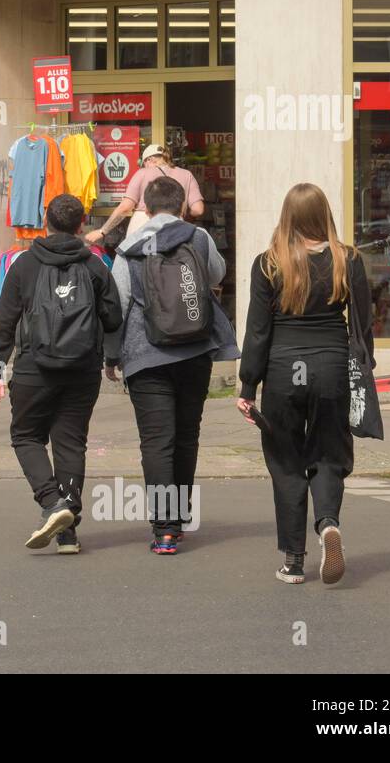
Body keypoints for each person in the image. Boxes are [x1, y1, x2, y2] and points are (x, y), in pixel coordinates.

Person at [237, 183, 372, 585]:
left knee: (286, 462)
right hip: (330, 368)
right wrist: (361, 372)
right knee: (329, 453)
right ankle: (328, 523)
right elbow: (362, 327)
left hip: (283, 372)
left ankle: (294, 560)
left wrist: (247, 388)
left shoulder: (268, 263)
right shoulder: (348, 259)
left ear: (287, 217)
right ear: (323, 214)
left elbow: (257, 332)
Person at [104, 175, 239, 554]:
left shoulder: (129, 248)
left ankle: (165, 528)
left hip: (145, 357)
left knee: (156, 441)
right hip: (195, 350)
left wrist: (111, 356)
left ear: (145, 208)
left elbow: (118, 306)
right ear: (182, 207)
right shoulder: (199, 238)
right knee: (186, 435)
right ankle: (180, 513)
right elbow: (216, 275)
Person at [0, 194, 123, 552]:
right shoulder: (95, 266)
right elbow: (113, 318)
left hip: (34, 369)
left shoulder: (24, 265)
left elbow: (5, 321)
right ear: (80, 227)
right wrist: (110, 358)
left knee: (27, 436)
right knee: (70, 442)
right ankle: (68, 531)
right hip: (82, 369)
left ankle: (51, 503)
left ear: (46, 222)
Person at [85, 144, 206, 243]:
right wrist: (181, 214)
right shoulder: (186, 175)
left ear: (149, 160)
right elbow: (198, 210)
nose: (144, 166)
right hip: (176, 227)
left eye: (144, 163)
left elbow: (125, 207)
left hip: (142, 227)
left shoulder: (142, 173)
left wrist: (102, 231)